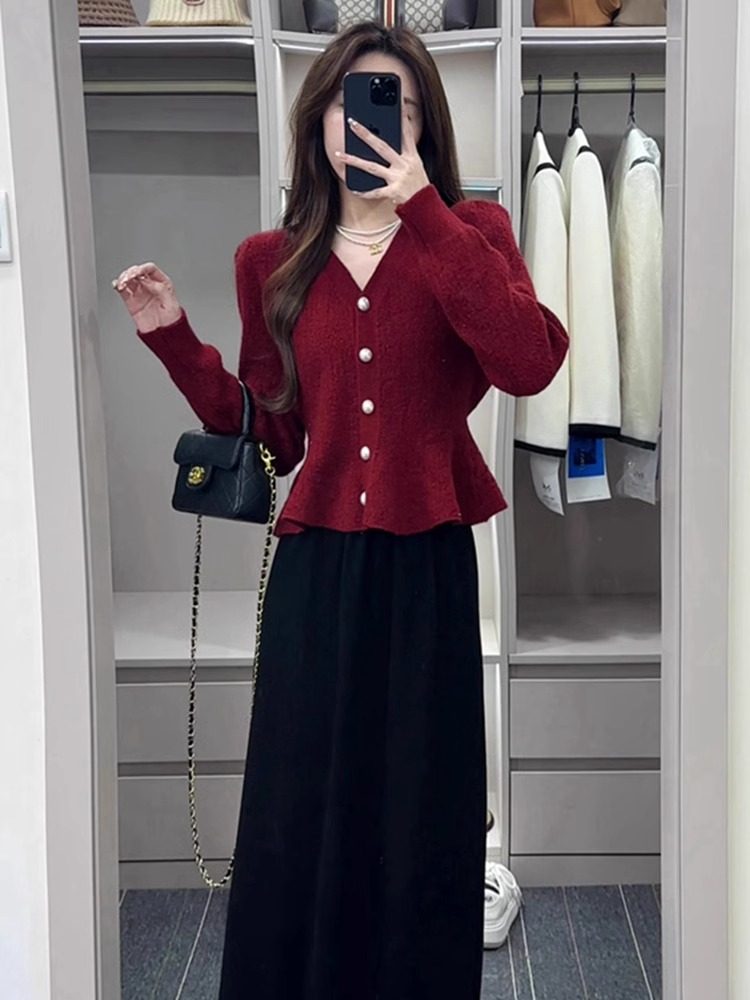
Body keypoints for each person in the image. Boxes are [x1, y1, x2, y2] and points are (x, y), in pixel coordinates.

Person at [113, 19, 568, 999]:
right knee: (301, 802)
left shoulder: (473, 236)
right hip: (317, 573)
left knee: (421, 803)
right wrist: (174, 341)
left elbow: (527, 361)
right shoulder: (268, 259)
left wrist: (422, 208)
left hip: (428, 568)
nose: (370, 121)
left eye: (398, 105)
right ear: (318, 119)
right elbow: (275, 429)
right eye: (351, 100)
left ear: (424, 128)